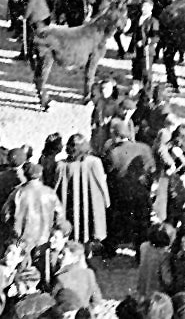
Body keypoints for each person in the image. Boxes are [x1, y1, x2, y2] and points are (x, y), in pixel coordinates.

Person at [102, 120, 155, 255]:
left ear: (115, 135)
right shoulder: (144, 148)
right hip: (141, 193)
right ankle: (141, 252)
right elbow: (152, 170)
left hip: (121, 194)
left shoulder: (114, 152)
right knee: (142, 224)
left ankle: (110, 250)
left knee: (115, 222)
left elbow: (109, 173)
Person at [54, 134, 110, 249]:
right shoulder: (94, 162)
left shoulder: (62, 165)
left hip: (70, 206)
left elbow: (55, 187)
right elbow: (102, 184)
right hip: (90, 205)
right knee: (90, 230)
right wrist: (106, 201)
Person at [52, 241, 103, 308]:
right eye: (61, 253)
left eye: (64, 254)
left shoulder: (61, 277)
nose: (60, 256)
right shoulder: (89, 273)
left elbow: (52, 300)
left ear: (75, 258)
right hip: (83, 311)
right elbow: (97, 297)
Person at [17, 0, 51, 65]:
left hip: (37, 16)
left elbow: (30, 2)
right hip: (43, 14)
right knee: (33, 36)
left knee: (30, 37)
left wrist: (25, 16)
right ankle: (27, 54)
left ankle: (28, 56)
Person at [137, 223, 175, 298]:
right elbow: (166, 279)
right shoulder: (164, 254)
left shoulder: (144, 247)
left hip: (142, 291)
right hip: (156, 295)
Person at [132, 0, 160, 90]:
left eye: (146, 7)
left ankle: (147, 90)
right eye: (143, 6)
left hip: (147, 51)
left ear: (151, 8)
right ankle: (136, 89)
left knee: (146, 71)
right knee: (136, 69)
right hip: (136, 49)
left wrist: (144, 42)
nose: (143, 8)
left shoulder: (153, 21)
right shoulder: (138, 19)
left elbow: (155, 38)